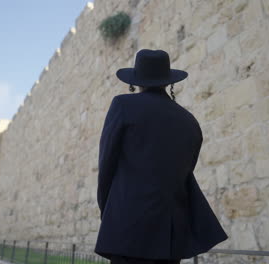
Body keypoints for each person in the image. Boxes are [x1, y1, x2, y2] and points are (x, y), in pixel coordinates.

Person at [94, 49, 228, 264]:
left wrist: (107, 211)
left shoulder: (123, 105)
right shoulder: (189, 121)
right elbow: (186, 172)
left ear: (136, 81)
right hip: (171, 232)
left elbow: (107, 164)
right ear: (168, 82)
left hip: (128, 225)